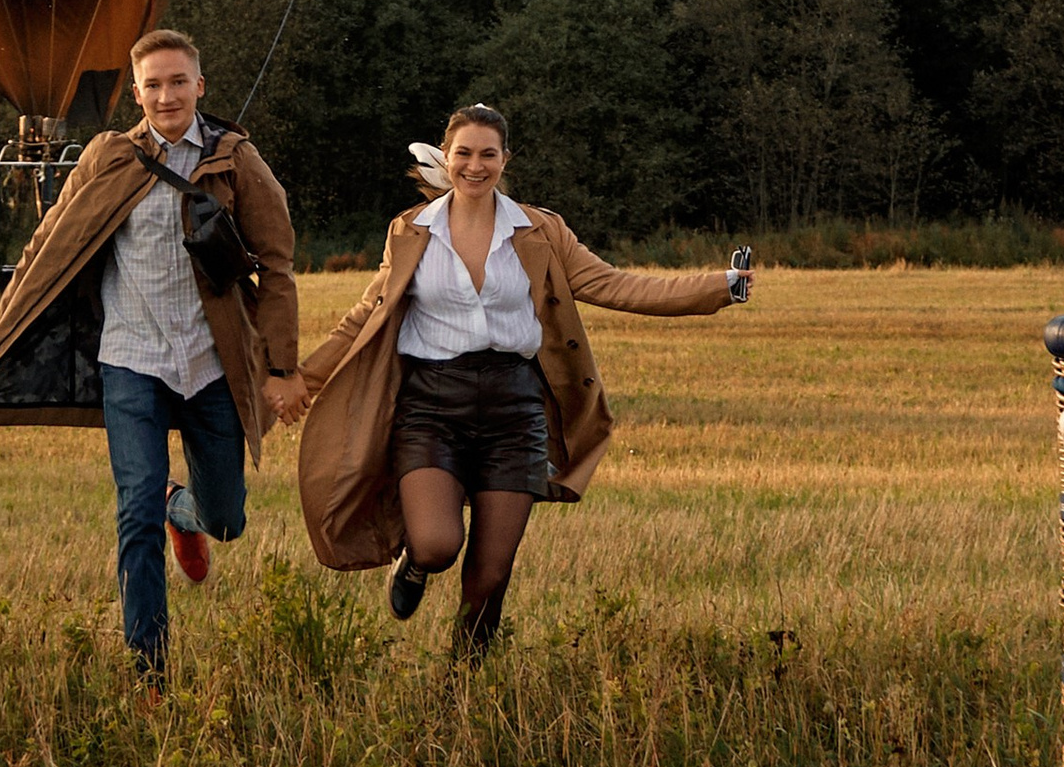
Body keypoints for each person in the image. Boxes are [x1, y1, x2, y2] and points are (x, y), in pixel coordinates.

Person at [289, 103, 753, 655]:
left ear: (505, 160)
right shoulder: (411, 232)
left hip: (515, 409)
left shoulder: (540, 232)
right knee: (438, 544)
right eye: (464, 153)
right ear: (448, 156)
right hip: (432, 406)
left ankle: (463, 691)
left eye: (489, 154)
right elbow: (364, 317)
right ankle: (412, 562)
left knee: (489, 577)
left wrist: (722, 286)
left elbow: (619, 286)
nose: (476, 166)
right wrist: (302, 379)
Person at [0, 26, 305, 680]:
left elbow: (279, 266)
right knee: (133, 512)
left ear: (200, 86)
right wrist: (1, 322)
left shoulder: (236, 161)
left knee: (226, 517)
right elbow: (50, 242)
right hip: (131, 359)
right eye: (153, 84)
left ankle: (187, 508)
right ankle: (151, 674)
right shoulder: (110, 157)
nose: (167, 95)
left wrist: (283, 369)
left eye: (179, 82)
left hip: (210, 363)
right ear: (137, 93)